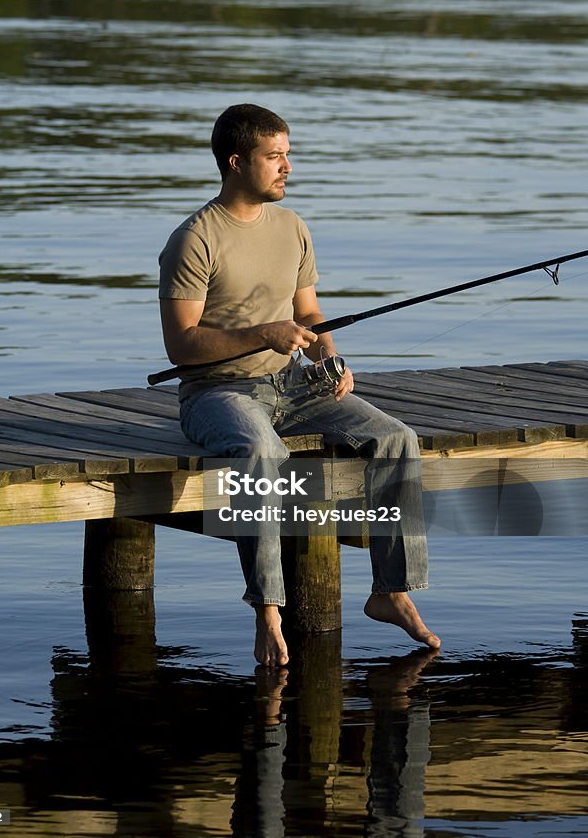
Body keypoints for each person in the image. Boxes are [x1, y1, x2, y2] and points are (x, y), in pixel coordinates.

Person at [158, 104, 440, 667]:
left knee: (397, 438)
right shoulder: (195, 239)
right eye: (275, 156)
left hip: (293, 385)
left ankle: (390, 591)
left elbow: (309, 314)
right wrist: (263, 331)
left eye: (288, 154)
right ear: (237, 163)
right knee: (261, 451)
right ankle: (268, 610)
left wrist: (330, 357)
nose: (288, 166)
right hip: (217, 394)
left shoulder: (293, 227)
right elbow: (182, 345)